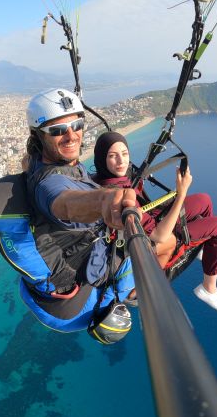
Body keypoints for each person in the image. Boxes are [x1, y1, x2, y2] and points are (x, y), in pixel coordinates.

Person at [21, 89, 137, 338]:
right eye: (57, 130)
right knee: (142, 249)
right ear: (38, 135)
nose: (71, 135)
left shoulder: (40, 161)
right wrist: (104, 200)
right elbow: (64, 202)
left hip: (61, 266)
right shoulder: (48, 184)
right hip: (80, 297)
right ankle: (126, 294)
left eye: (77, 125)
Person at [92, 131, 217, 311]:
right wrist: (181, 194)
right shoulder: (117, 193)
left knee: (204, 200)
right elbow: (159, 236)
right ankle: (208, 288)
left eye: (124, 154)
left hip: (147, 220)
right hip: (149, 239)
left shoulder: (111, 177)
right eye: (112, 156)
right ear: (103, 159)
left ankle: (204, 250)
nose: (121, 161)